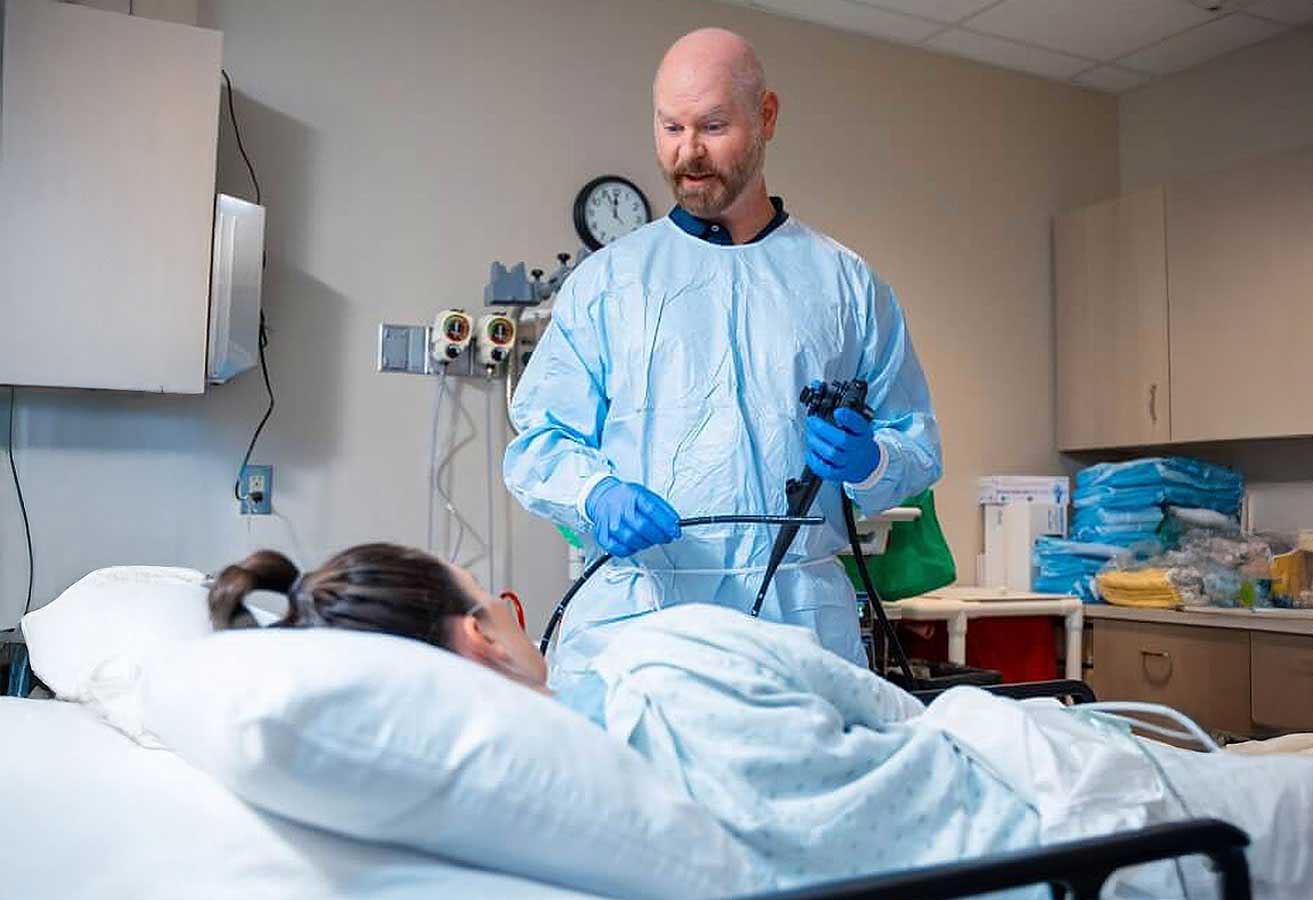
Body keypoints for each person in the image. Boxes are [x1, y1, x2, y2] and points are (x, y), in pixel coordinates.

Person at [210, 543, 1313, 899]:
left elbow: (898, 456)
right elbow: (900, 717)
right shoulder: (660, 655)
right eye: (492, 598)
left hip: (1044, 776)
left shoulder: (568, 796)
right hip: (1115, 825)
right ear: (478, 640)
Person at [503, 27, 941, 687]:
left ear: (765, 117)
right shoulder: (608, 283)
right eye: (670, 127)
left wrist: (872, 458)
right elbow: (539, 439)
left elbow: (915, 439)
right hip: (639, 618)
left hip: (796, 626)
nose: (689, 153)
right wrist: (596, 493)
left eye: (712, 126)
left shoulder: (846, 286)